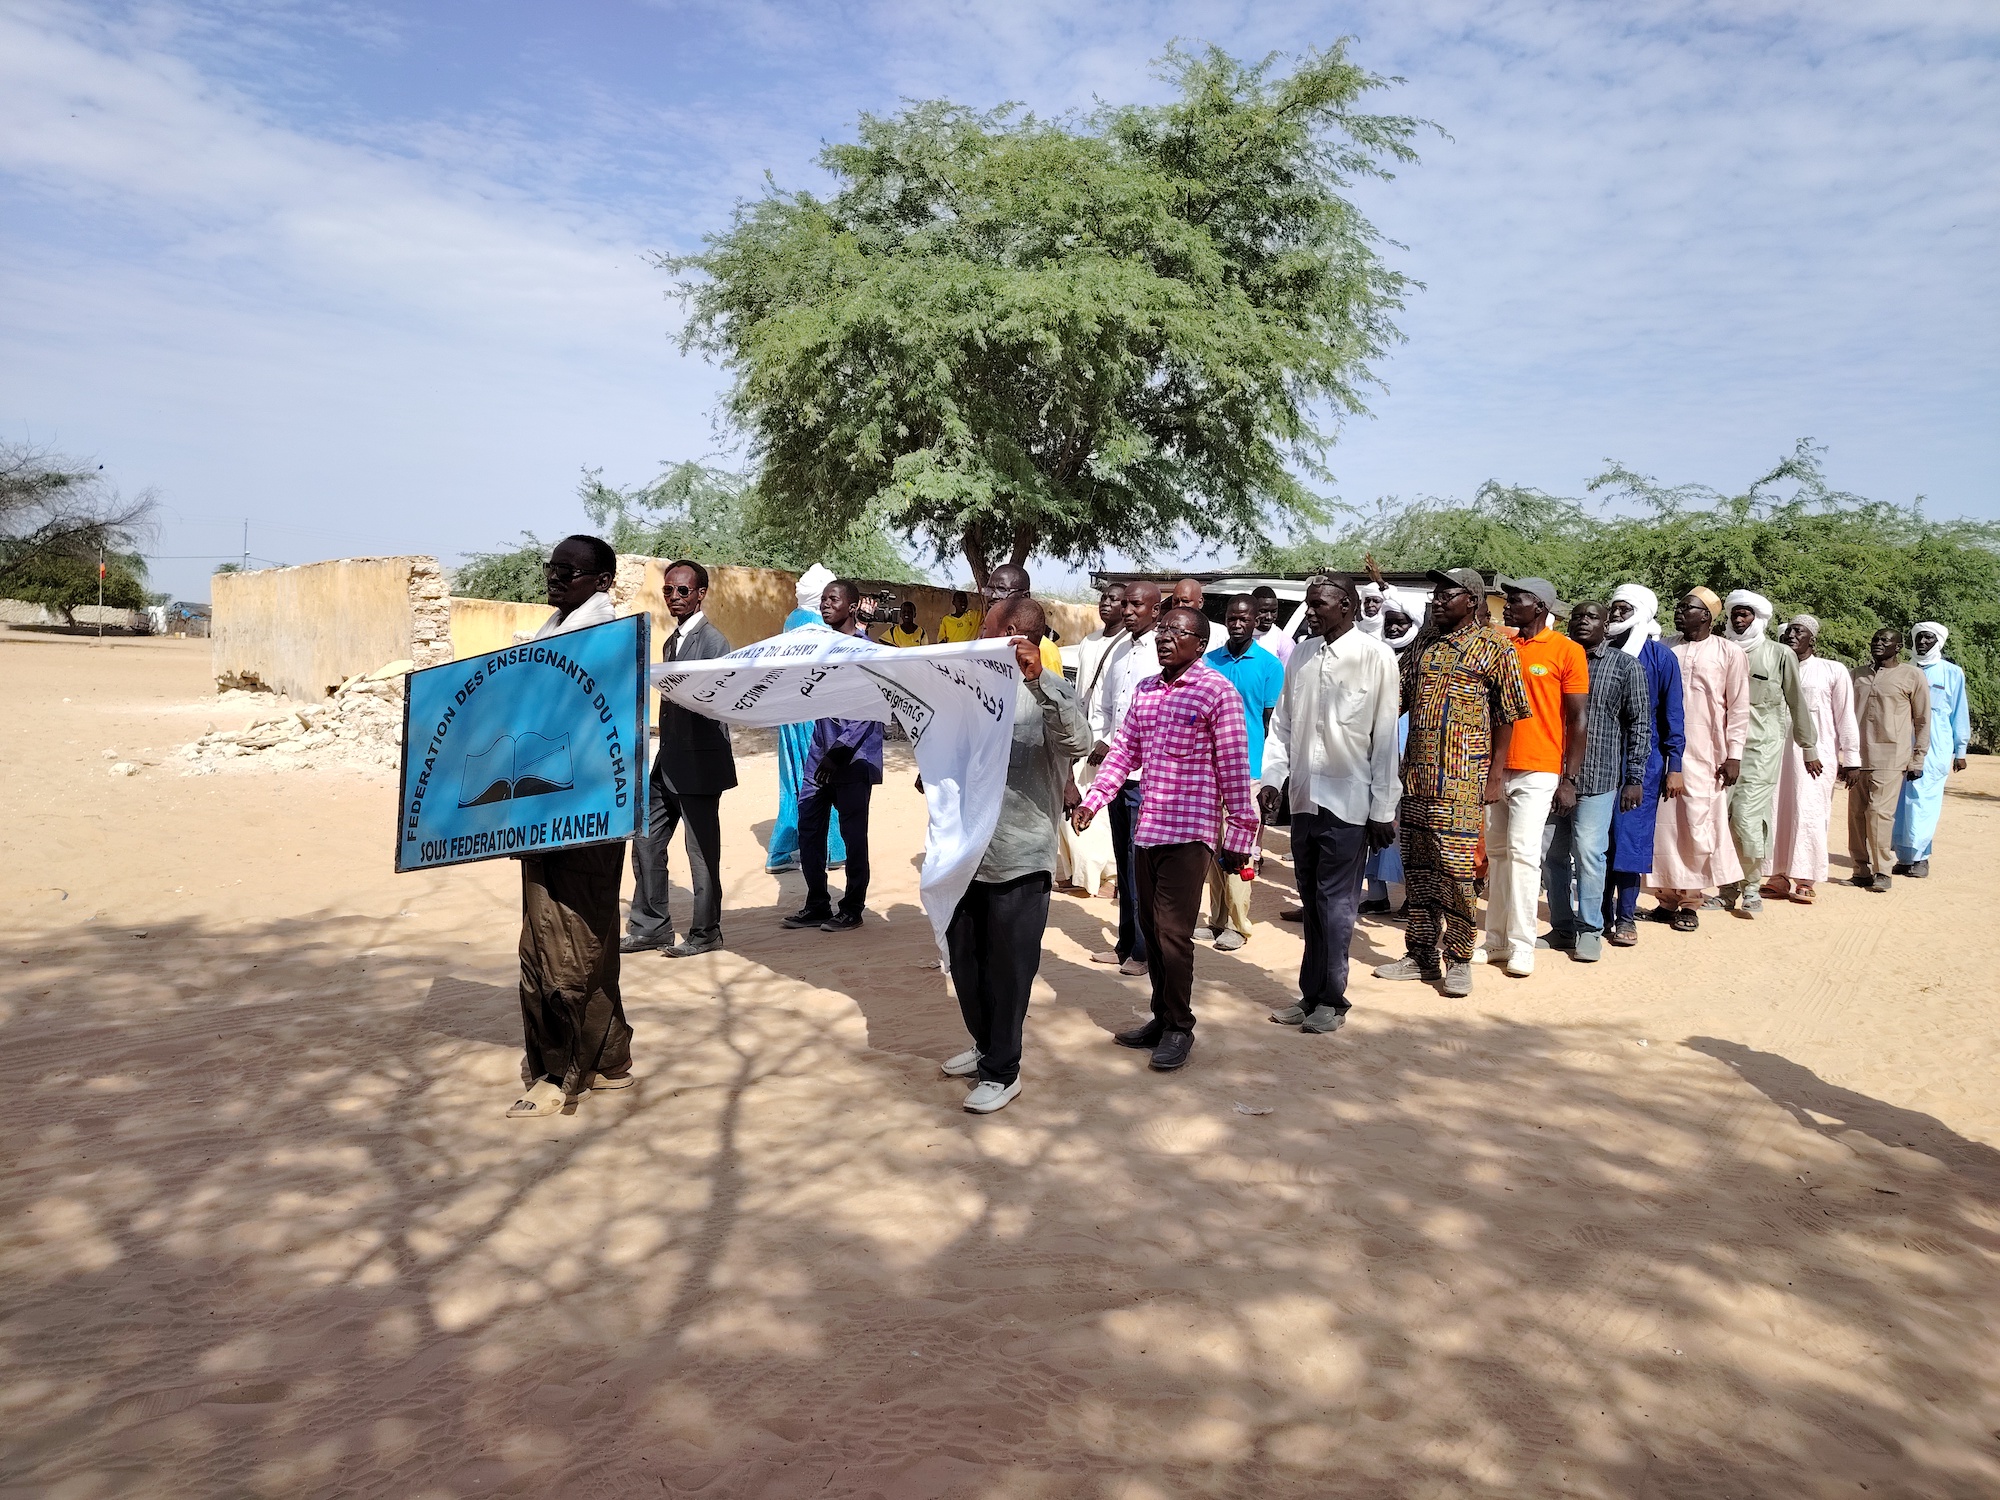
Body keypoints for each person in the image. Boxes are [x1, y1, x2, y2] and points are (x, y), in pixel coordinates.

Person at [1073, 607, 1258, 1071]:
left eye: (1179, 632)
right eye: (1164, 630)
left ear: (1200, 643)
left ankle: (1180, 1027)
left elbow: (1234, 770)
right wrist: (1093, 801)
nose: (1166, 638)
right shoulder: (1147, 691)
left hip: (1190, 834)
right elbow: (1123, 753)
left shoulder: (1218, 693)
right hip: (1149, 830)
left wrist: (1240, 833)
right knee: (1152, 932)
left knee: (1174, 934)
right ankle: (1160, 1016)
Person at [940, 599, 1094, 1113]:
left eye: (987, 626)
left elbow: (1079, 741)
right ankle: (986, 1047)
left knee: (1009, 968)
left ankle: (1003, 1072)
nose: (978, 633)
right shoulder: (970, 689)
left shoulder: (1047, 689)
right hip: (966, 854)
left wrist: (1039, 682)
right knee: (965, 960)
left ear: (1010, 633)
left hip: (1019, 855)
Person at [510, 535, 634, 1118]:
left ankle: (562, 1075)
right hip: (545, 811)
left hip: (580, 815)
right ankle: (610, 1060)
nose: (555, 579)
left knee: (562, 944)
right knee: (588, 937)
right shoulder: (554, 634)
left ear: (603, 581)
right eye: (551, 568)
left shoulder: (600, 642)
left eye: (571, 571)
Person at [1374, 568, 1529, 998]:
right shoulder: (1422, 643)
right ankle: (1421, 954)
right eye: (1435, 596)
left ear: (1473, 601)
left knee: (1457, 875)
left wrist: (1496, 774)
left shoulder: (1495, 647)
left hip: (1463, 781)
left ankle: (1459, 958)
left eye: (1447, 595)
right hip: (1418, 777)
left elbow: (1508, 715)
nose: (1436, 602)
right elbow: (1395, 699)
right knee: (1419, 871)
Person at [1257, 577, 1401, 1033]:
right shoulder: (1302, 654)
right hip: (1303, 797)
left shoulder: (1376, 656)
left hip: (1350, 800)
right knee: (1311, 899)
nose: (1311, 612)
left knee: (1337, 903)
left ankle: (1333, 1000)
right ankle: (1310, 994)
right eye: (1308, 604)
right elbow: (1282, 725)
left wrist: (1382, 809)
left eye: (1319, 604)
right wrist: (1273, 779)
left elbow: (1383, 739)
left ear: (1348, 606)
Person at [1474, 576, 1588, 977]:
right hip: (1494, 768)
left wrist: (1568, 778)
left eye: (1516, 599)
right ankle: (1495, 941)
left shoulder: (1566, 651)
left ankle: (1523, 945)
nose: (1508, 605)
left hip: (1539, 769)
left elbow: (1578, 719)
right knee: (1498, 855)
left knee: (1523, 856)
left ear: (1539, 606)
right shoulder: (1502, 645)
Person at [624, 560, 737, 959]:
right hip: (668, 760)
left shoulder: (713, 642)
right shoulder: (671, 641)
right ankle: (651, 927)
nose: (674, 597)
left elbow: (718, 700)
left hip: (700, 764)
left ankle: (706, 933)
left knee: (702, 854)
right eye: (668, 590)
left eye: (682, 591)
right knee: (646, 840)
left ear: (701, 593)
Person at [1543, 601, 1647, 962]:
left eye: (1592, 617)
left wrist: (1634, 777)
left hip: (1598, 777)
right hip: (1550, 775)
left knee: (1588, 853)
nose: (1583, 622)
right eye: (1577, 616)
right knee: (1552, 855)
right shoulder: (1558, 659)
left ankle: (1590, 929)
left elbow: (1639, 724)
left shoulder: (1624, 666)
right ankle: (1561, 927)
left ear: (1607, 626)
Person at [785, 579, 883, 931]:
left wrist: (839, 753)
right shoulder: (820, 648)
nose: (826, 604)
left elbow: (870, 711)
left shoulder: (866, 652)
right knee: (809, 829)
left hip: (853, 760)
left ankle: (853, 907)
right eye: (823, 599)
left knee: (854, 836)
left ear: (853, 606)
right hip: (818, 756)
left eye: (833, 599)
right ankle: (817, 903)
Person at [1649, 589, 1749, 929]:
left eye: (1686, 608)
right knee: (1663, 826)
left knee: (1696, 825)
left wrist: (1734, 754)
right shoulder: (1665, 647)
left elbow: (1737, 707)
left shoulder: (1729, 652)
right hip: (1664, 750)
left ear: (1706, 615)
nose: (1678, 612)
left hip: (1708, 752)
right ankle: (1665, 899)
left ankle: (1691, 901)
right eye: (1678, 607)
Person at [1714, 590, 1818, 916]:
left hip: (1763, 748)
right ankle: (1727, 889)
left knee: (1746, 815)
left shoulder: (1779, 654)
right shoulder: (1721, 650)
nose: (1739, 620)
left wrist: (1809, 746)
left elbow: (1796, 702)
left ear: (1758, 618)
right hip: (1722, 748)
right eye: (1735, 614)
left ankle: (1751, 887)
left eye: (1746, 614)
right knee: (1724, 817)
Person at [1195, 595, 1286, 951]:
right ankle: (1216, 919)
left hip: (1247, 769)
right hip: (1209, 767)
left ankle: (1239, 923)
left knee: (1239, 848)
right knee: (1214, 845)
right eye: (1232, 617)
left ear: (1254, 623)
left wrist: (1267, 776)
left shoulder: (1269, 665)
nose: (1237, 624)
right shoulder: (1209, 661)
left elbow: (1270, 723)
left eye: (1244, 619)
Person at [1086, 578, 1164, 975]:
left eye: (1137, 605)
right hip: (1118, 775)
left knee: (1139, 865)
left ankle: (1143, 951)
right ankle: (1125, 944)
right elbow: (1103, 707)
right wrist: (1103, 742)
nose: (1129, 611)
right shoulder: (1118, 654)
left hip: (1147, 778)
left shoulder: (1161, 655)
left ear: (1156, 609)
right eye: (1126, 605)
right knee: (1123, 861)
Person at [1602, 584, 1685, 946]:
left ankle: (1625, 918)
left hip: (1644, 764)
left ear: (1643, 613)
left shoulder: (1661, 658)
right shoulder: (1599, 653)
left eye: (1625, 609)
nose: (1617, 615)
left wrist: (1675, 765)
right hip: (1600, 760)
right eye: (1614, 609)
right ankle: (1596, 916)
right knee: (1597, 840)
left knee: (1631, 840)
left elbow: (1673, 717)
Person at [1762, 616, 1859, 903]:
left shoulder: (1832, 670)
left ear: (1811, 638)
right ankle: (1777, 876)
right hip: (1776, 754)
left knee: (1810, 813)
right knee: (1775, 811)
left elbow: (1845, 716)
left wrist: (1851, 759)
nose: (1791, 635)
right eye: (1788, 630)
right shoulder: (1773, 668)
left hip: (1815, 758)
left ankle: (1805, 877)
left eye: (1798, 631)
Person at [767, 564, 846, 875]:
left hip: (789, 712)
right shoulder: (820, 625)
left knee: (792, 781)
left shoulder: (792, 620)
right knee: (821, 779)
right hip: (813, 714)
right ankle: (832, 849)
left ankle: (782, 849)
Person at [1058, 583, 1125, 898]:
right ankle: (1079, 874)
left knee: (1098, 811)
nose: (1107, 603)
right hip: (1083, 734)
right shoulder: (1088, 642)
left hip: (1110, 741)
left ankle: (1108, 877)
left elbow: (1128, 702)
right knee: (1074, 801)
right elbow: (1080, 697)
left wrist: (1110, 740)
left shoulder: (1130, 645)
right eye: (1105, 597)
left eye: (1115, 599)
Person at [1851, 627, 1930, 893]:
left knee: (1878, 814)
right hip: (1857, 757)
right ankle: (1860, 869)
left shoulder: (1911, 675)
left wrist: (1918, 758)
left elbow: (1922, 720)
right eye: (1875, 639)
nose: (1878, 643)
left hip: (1891, 755)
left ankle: (1882, 871)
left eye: (1885, 640)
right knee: (1856, 816)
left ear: (1898, 647)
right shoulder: (1857, 675)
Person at [1360, 589, 1423, 913]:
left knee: (1407, 830)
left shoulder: (1420, 655)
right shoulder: (1377, 652)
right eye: (1389, 622)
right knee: (1375, 823)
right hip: (1376, 749)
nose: (1393, 629)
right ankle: (1377, 896)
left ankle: (1413, 898)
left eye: (1399, 623)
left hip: (1409, 752)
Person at [1892, 622, 1971, 878]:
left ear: (1939, 642)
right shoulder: (1903, 670)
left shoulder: (1951, 673)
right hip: (1901, 740)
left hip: (1936, 744)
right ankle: (1904, 858)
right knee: (1900, 800)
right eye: (1919, 638)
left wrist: (1960, 750)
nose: (1923, 643)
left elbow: (1959, 711)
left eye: (1929, 638)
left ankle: (1921, 857)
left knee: (1924, 799)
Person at [981, 565, 1064, 674]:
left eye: (1002, 589)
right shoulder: (987, 640)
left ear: (1024, 596)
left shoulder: (1045, 649)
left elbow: (1051, 689)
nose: (993, 596)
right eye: (989, 590)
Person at [1171, 576, 1229, 651]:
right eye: (1175, 602)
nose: (1180, 606)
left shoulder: (1219, 633)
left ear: (1200, 602)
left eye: (1185, 601)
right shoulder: (1163, 633)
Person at [1251, 584, 1295, 664]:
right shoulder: (1239, 637)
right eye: (1263, 611)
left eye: (1273, 611)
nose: (1269, 617)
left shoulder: (1284, 643)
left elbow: (1287, 675)